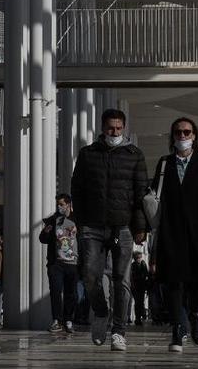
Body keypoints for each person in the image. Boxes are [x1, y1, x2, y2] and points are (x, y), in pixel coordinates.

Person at [71, 108, 148, 351]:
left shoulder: (135, 155)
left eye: (118, 128)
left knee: (121, 281)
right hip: (92, 226)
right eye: (110, 128)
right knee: (90, 276)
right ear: (102, 128)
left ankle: (119, 330)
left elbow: (140, 195)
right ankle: (101, 312)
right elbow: (78, 189)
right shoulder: (87, 154)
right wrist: (81, 221)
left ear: (123, 128)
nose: (114, 132)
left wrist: (140, 227)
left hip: (123, 226)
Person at [151, 117, 198, 353]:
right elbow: (155, 199)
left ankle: (196, 315)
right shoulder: (164, 164)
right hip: (171, 231)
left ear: (194, 136)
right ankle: (178, 328)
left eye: (187, 132)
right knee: (173, 281)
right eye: (178, 133)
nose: (182, 136)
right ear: (173, 137)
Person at [39, 194, 79, 334]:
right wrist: (46, 231)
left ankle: (68, 320)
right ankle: (57, 320)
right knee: (56, 291)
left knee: (71, 293)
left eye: (61, 204)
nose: (59, 206)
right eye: (58, 204)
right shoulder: (53, 220)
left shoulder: (77, 220)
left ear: (68, 204)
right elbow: (42, 239)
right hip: (56, 263)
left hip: (73, 263)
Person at [129, 252, 148, 326]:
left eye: (140, 258)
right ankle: (138, 318)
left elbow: (146, 274)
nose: (139, 259)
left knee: (140, 302)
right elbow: (132, 276)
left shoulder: (143, 264)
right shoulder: (133, 266)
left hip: (141, 286)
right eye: (138, 258)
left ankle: (140, 315)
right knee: (137, 302)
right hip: (136, 287)